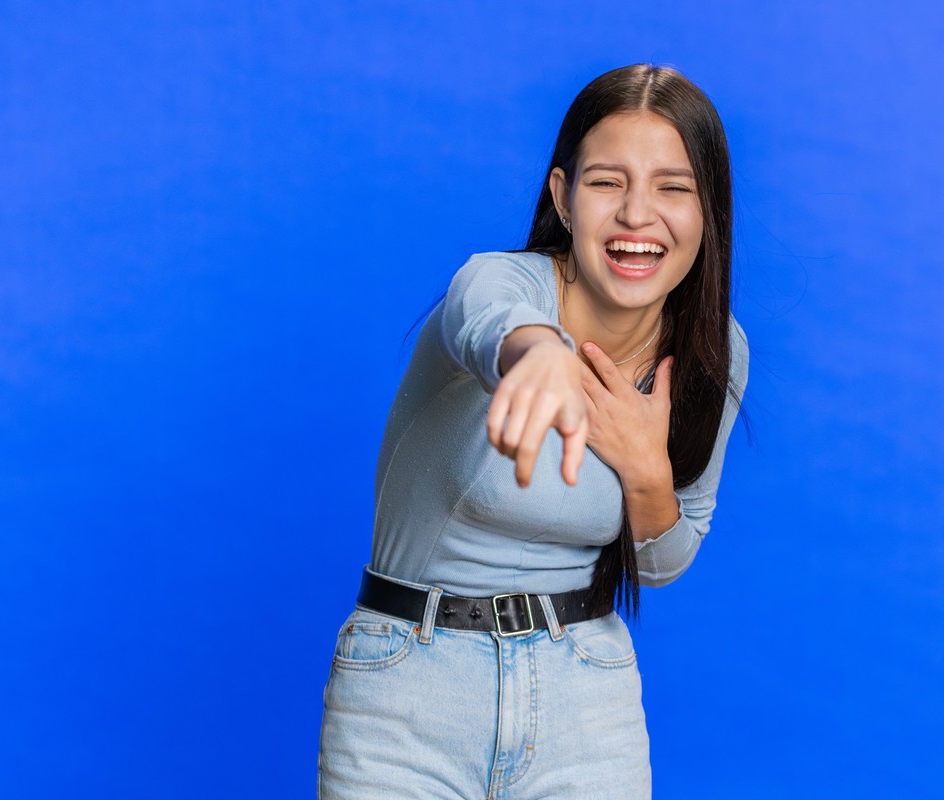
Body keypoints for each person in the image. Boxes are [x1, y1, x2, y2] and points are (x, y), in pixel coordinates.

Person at [318, 64, 749, 800]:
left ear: (709, 210)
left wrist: (646, 470)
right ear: (563, 196)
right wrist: (540, 354)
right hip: (408, 692)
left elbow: (665, 562)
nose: (637, 214)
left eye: (672, 188)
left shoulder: (714, 351)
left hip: (587, 699)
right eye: (608, 182)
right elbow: (489, 319)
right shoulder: (499, 284)